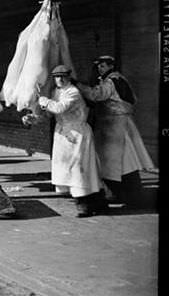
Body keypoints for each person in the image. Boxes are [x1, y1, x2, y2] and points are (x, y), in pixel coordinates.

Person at [76, 56, 155, 208]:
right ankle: (124, 195)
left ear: (111, 66)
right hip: (120, 123)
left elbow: (96, 95)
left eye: (103, 66)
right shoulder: (119, 79)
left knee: (117, 162)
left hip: (114, 125)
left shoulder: (111, 81)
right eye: (99, 66)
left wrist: (78, 85)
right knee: (125, 162)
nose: (100, 68)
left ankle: (127, 196)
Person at [38, 65, 104, 217]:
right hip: (63, 134)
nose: (60, 79)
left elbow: (60, 108)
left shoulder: (73, 92)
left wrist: (44, 100)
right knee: (69, 168)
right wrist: (35, 117)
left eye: (63, 76)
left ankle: (84, 205)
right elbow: (51, 114)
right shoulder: (56, 92)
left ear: (69, 77)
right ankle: (97, 201)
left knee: (79, 168)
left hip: (78, 132)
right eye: (56, 77)